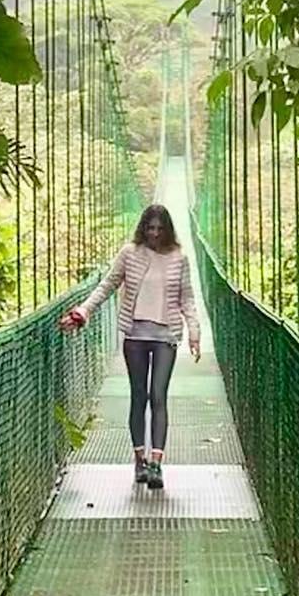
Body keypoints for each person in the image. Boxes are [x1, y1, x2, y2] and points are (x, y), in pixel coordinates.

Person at [60, 204, 201, 491]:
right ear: (143, 228)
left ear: (168, 230)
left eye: (160, 229)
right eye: (150, 228)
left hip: (166, 335)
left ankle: (157, 464)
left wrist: (194, 331)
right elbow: (107, 285)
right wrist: (83, 312)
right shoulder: (129, 254)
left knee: (158, 395)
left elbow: (187, 298)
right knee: (139, 395)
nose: (155, 234)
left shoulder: (179, 258)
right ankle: (139, 459)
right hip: (135, 334)